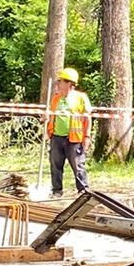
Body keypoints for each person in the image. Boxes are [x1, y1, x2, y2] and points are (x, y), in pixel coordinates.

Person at [46, 66, 92, 196]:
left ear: (69, 83)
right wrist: (46, 120)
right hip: (56, 137)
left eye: (60, 81)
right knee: (55, 165)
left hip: (74, 139)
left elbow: (88, 118)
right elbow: (51, 116)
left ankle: (83, 190)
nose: (58, 83)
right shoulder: (56, 98)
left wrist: (87, 136)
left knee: (78, 165)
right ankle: (57, 190)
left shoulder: (81, 98)